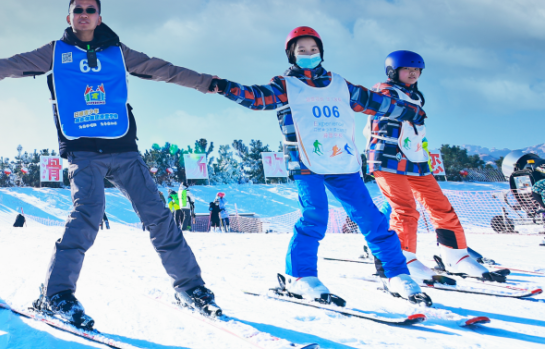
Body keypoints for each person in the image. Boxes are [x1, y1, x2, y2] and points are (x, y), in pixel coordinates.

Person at [0, 0, 221, 326]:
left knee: (158, 216)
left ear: (100, 17)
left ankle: (191, 287)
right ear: (69, 17)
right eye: (78, 10)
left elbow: (167, 70)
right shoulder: (54, 52)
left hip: (123, 148)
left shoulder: (120, 53)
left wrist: (210, 83)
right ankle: (56, 294)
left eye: (91, 10)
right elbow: (7, 66)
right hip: (82, 149)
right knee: (87, 215)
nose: (84, 15)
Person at [208, 26, 430, 304]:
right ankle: (300, 276)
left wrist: (411, 111)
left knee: (371, 218)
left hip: (343, 161)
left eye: (313, 50)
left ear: (321, 52)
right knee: (315, 217)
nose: (309, 54)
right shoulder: (285, 85)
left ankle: (396, 274)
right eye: (302, 50)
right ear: (292, 55)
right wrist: (225, 87)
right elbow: (256, 97)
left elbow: (376, 102)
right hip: (306, 162)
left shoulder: (340, 84)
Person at [366, 51, 502, 282]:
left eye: (417, 70)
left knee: (441, 206)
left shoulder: (416, 96)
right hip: (388, 158)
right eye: (407, 69)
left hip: (415, 159)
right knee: (405, 210)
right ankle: (403, 261)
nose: (413, 74)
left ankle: (456, 256)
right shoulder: (384, 90)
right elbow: (384, 103)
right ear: (392, 71)